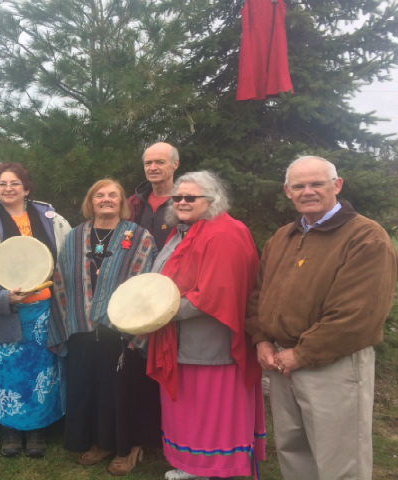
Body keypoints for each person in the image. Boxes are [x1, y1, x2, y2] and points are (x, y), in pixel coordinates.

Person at [246, 156, 397, 480]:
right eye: (299, 186)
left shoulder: (365, 237)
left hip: (334, 365)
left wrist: (301, 354)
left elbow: (358, 315)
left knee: (340, 462)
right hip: (283, 362)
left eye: (317, 184)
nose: (308, 191)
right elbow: (260, 294)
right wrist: (261, 340)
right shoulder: (283, 237)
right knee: (294, 453)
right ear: (288, 191)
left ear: (337, 185)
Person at [147, 171, 266, 480]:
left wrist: (159, 312)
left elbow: (212, 295)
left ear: (212, 201)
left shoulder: (225, 233)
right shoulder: (183, 232)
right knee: (189, 410)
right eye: (178, 198)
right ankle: (194, 466)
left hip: (212, 344)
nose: (182, 202)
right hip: (181, 338)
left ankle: (217, 467)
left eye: (191, 197)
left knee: (212, 410)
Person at [49, 178, 158, 476]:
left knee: (120, 391)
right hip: (83, 328)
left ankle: (127, 446)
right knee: (89, 388)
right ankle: (99, 442)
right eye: (100, 194)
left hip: (121, 330)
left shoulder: (139, 237)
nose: (106, 199)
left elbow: (146, 280)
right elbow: (62, 279)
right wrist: (71, 315)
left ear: (122, 201)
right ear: (91, 200)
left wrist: (133, 320)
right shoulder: (74, 237)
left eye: (113, 195)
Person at [0, 162, 70, 458]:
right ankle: (10, 431)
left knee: (42, 373)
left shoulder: (51, 219)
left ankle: (37, 430)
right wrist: (1, 298)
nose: (8, 189)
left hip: (44, 311)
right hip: (5, 312)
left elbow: (68, 258)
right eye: (2, 184)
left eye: (14, 183)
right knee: (6, 372)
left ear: (27, 188)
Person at [128, 142, 180, 249]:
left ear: (175, 164)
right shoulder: (134, 203)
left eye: (160, 162)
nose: (152, 168)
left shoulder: (187, 203)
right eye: (148, 163)